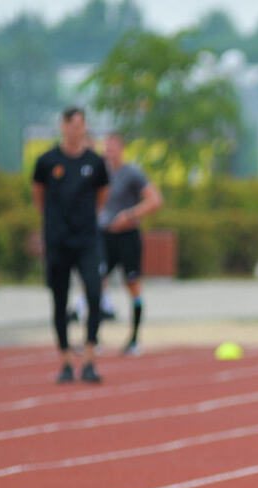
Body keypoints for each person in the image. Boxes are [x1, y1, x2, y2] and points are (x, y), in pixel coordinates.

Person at [32, 106, 110, 383]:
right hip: (58, 241)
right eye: (69, 125)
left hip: (87, 240)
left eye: (79, 125)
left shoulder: (96, 162)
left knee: (93, 294)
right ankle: (65, 360)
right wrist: (51, 225)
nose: (74, 130)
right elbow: (38, 195)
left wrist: (87, 220)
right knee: (59, 299)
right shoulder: (46, 161)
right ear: (62, 127)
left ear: (84, 127)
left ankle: (89, 358)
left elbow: (102, 195)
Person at [97, 131, 164, 355]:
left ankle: (134, 338)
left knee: (132, 284)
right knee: (96, 280)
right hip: (104, 235)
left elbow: (155, 200)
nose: (109, 151)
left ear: (122, 148)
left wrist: (130, 215)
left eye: (113, 147)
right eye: (106, 147)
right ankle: (93, 336)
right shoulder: (100, 173)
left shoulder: (132, 174)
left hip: (127, 236)